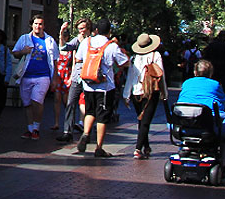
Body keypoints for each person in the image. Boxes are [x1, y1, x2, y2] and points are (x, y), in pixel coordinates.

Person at [73, 18, 129, 157]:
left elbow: (78, 58)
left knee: (90, 111)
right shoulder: (111, 45)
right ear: (109, 32)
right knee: (102, 117)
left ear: (96, 30)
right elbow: (124, 62)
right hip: (105, 86)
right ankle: (99, 148)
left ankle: (86, 134)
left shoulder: (87, 41)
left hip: (88, 84)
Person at [176, 58, 225, 174]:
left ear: (195, 72)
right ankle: (224, 160)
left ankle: (186, 148)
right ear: (211, 73)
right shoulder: (215, 85)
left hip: (183, 124)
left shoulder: (187, 83)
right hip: (208, 126)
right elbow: (222, 102)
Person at [11, 14, 59, 141]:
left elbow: (54, 60)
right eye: (36, 23)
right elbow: (15, 53)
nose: (38, 26)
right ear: (32, 25)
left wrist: (54, 79)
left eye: (40, 24)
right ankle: (30, 128)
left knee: (37, 101)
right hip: (26, 76)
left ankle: (36, 128)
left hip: (43, 76)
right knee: (27, 104)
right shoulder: (25, 39)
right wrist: (23, 52)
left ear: (44, 26)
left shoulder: (49, 41)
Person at [122, 33, 167, 159]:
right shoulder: (155, 55)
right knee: (146, 122)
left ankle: (146, 147)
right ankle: (137, 148)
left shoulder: (133, 58)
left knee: (142, 120)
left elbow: (130, 77)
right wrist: (164, 93)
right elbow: (161, 75)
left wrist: (126, 94)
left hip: (136, 92)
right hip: (151, 91)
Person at [55, 17, 91, 141]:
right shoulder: (77, 40)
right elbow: (64, 48)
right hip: (77, 76)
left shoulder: (93, 40)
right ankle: (67, 132)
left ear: (88, 28)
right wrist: (61, 32)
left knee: (89, 104)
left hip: (90, 76)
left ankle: (87, 131)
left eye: (83, 28)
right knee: (70, 102)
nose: (81, 31)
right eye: (79, 29)